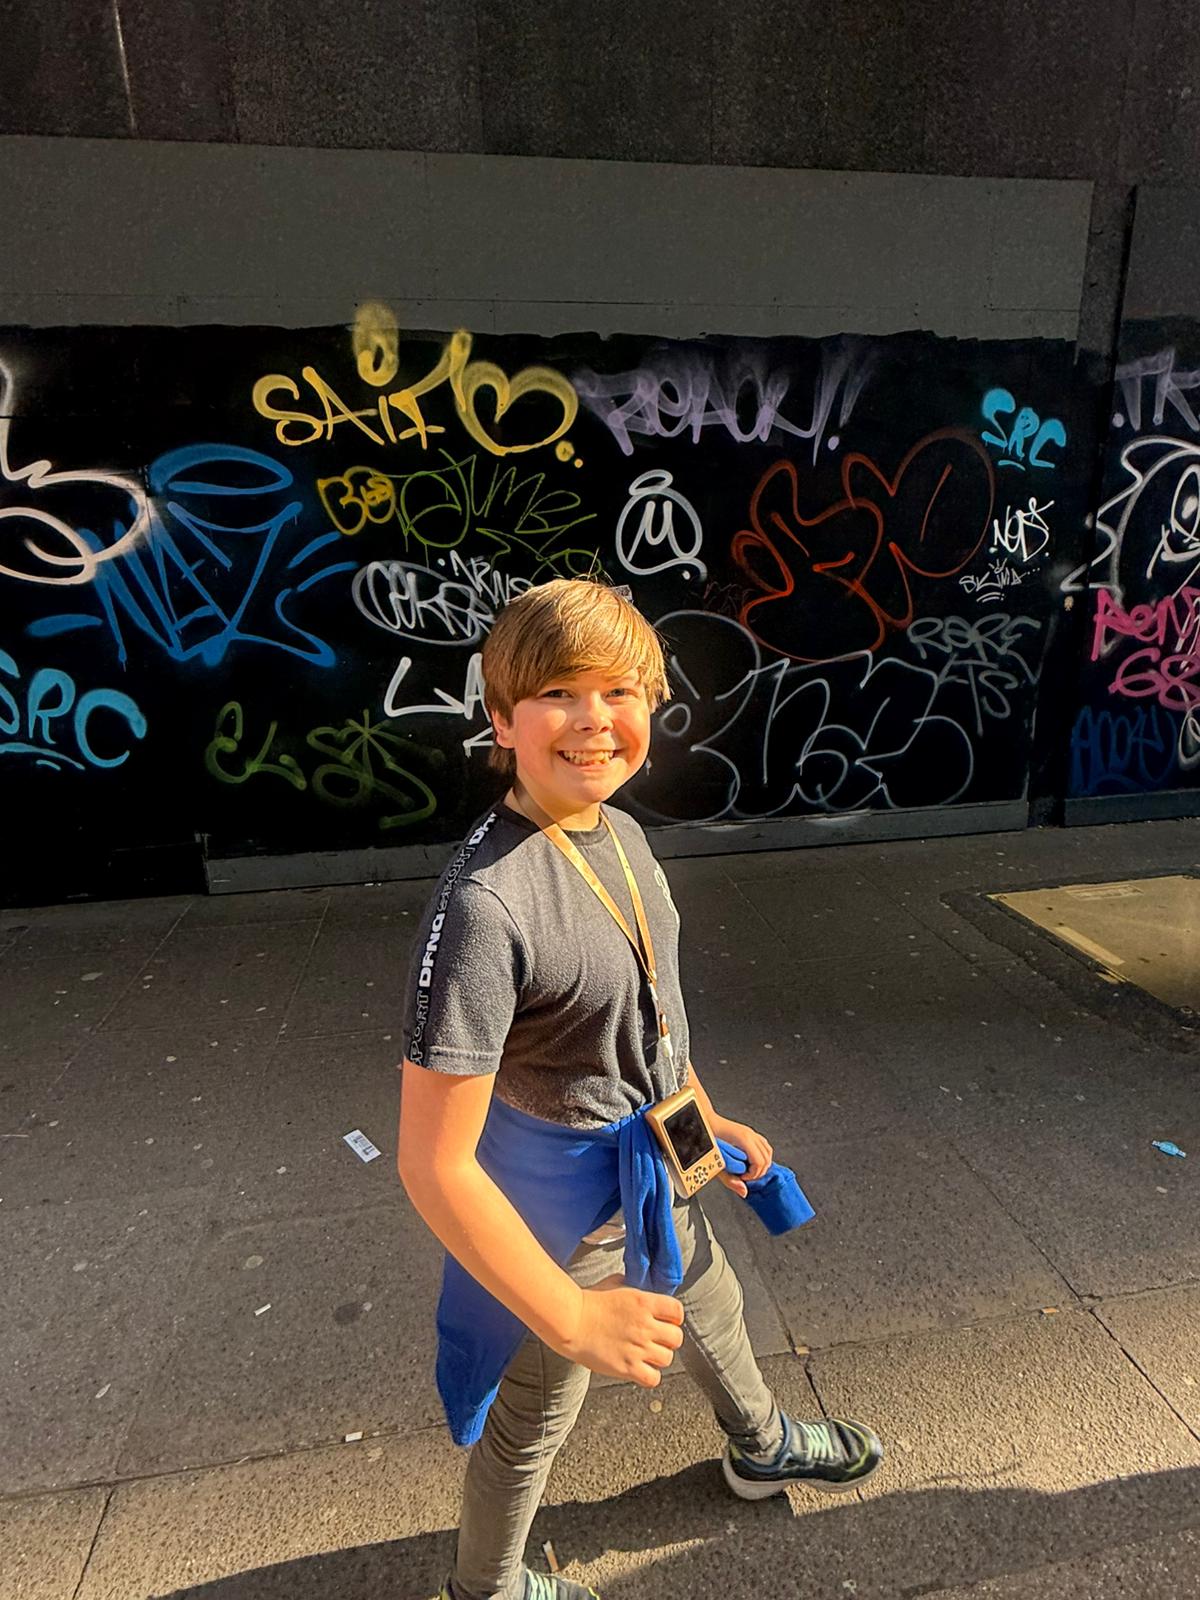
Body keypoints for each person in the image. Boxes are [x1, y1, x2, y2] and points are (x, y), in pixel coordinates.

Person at [398, 579, 883, 1600]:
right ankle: (486, 1590)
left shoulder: (618, 831)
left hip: (657, 1160)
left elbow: (649, 1014)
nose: (594, 719)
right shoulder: (488, 905)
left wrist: (706, 1114)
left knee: (711, 1298)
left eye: (618, 690)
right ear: (502, 719)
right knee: (536, 1416)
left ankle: (761, 1446)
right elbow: (434, 1165)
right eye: (558, 693)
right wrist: (572, 1314)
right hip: (561, 1219)